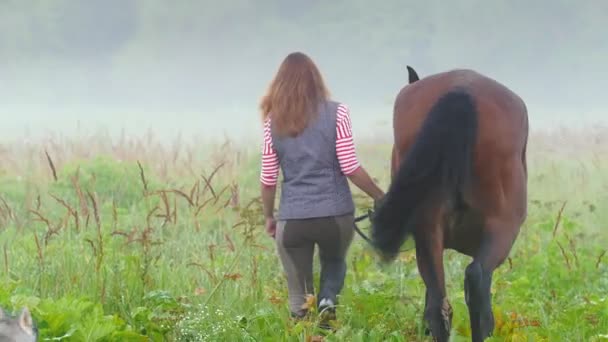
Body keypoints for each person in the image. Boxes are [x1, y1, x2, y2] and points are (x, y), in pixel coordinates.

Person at [258, 52, 384, 328]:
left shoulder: (272, 123)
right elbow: (350, 166)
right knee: (335, 261)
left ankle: (304, 322)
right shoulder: (338, 112)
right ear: (316, 81)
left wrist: (269, 217)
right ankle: (328, 300)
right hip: (335, 215)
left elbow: (268, 178)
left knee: (299, 295)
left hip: (293, 219)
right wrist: (380, 196)